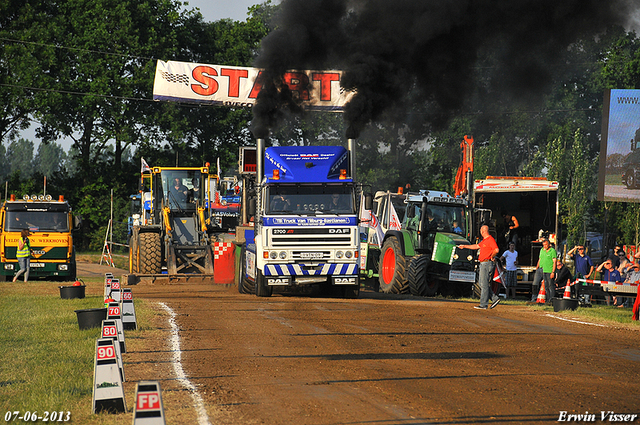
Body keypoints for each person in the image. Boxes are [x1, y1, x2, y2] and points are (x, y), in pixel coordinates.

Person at [459, 224, 501, 309]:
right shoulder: (485, 241)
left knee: (484, 284)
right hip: (483, 263)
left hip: (486, 263)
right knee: (482, 283)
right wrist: (464, 246)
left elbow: (496, 250)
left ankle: (484, 304)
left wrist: (492, 256)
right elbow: (476, 246)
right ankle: (494, 298)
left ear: (483, 231)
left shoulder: (490, 240)